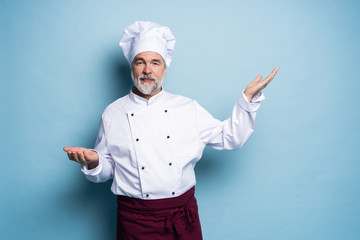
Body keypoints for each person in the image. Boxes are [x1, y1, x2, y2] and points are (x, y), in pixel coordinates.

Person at [63, 21, 279, 240]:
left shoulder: (188, 108)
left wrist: (247, 100)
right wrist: (94, 161)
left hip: (181, 216)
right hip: (134, 220)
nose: (148, 70)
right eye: (141, 62)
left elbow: (232, 138)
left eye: (155, 63)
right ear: (132, 67)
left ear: (164, 69)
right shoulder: (112, 113)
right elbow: (107, 170)